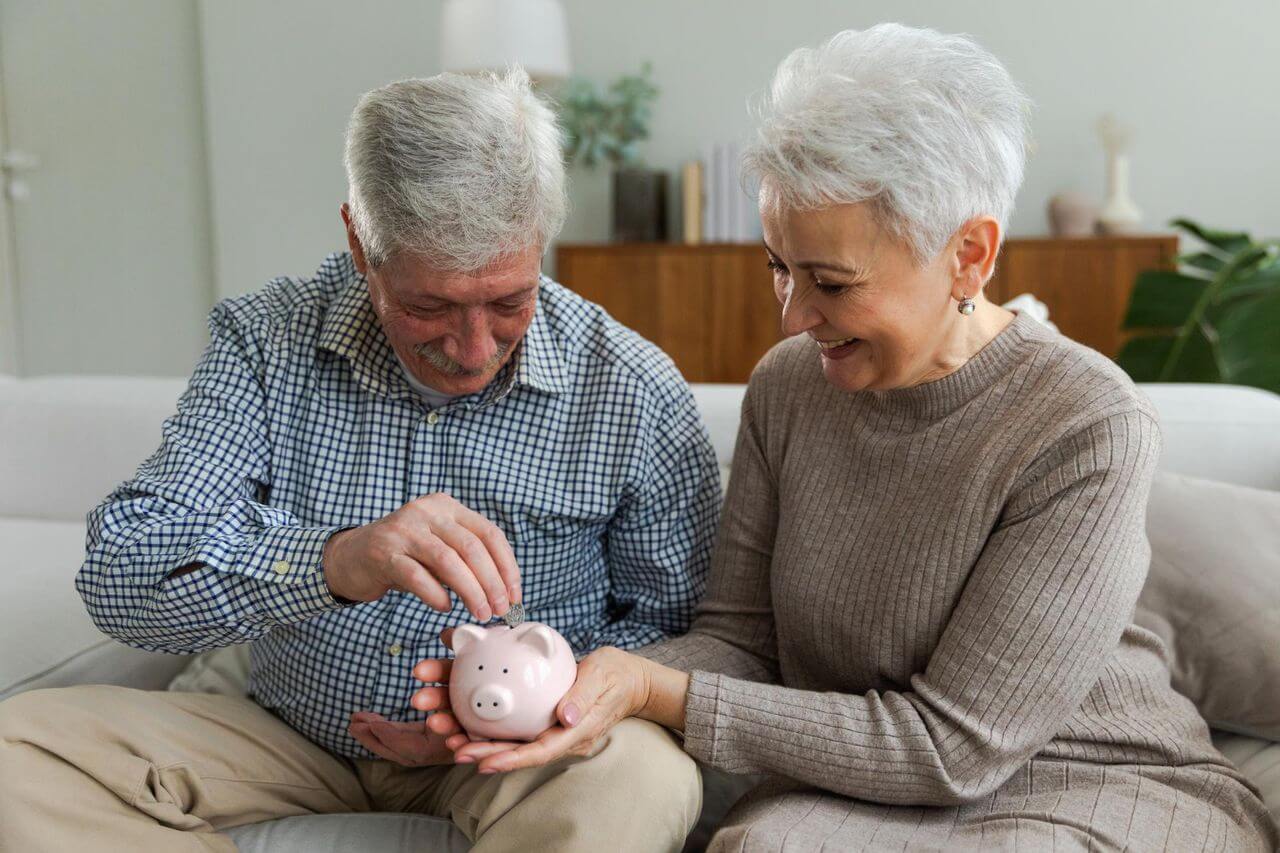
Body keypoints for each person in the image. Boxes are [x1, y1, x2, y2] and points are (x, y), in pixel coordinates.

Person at [420, 26, 1279, 851]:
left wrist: (663, 690)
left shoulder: (1085, 424)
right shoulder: (789, 388)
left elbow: (956, 747)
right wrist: (568, 685)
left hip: (1090, 782)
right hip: (861, 792)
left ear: (969, 256)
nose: (793, 315)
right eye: (777, 267)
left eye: (830, 280)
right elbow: (739, 642)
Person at [0, 69, 715, 853]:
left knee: (647, 778)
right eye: (429, 306)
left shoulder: (632, 387)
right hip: (288, 728)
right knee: (14, 756)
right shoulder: (266, 341)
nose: (472, 349)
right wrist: (335, 560)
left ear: (539, 243)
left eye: (509, 301)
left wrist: (536, 705)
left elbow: (681, 634)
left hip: (515, 753)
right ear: (358, 242)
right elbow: (121, 571)